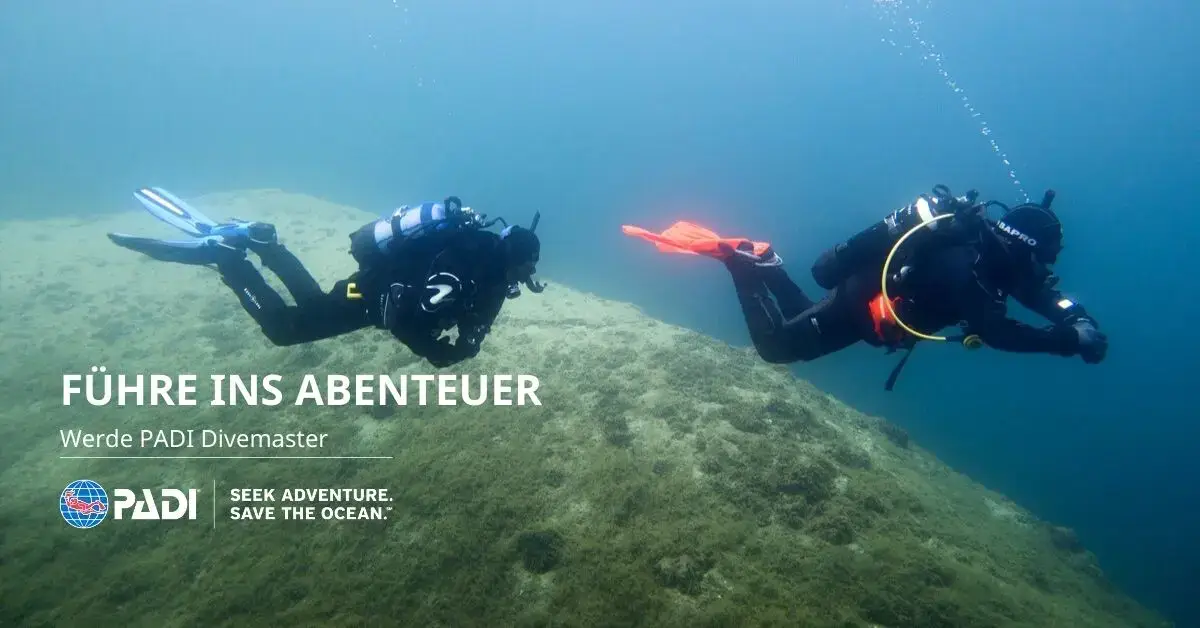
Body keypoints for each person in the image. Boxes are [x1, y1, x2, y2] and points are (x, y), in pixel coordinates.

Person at [624, 185, 1108, 389]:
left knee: (814, 312)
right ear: (1028, 247)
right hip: (864, 305)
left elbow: (1038, 291)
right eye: (1046, 257)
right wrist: (1064, 342)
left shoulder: (999, 258)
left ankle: (767, 264)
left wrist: (1074, 316)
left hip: (867, 300)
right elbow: (997, 331)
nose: (1047, 269)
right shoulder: (973, 270)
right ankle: (742, 264)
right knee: (776, 348)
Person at [108, 188, 544, 367]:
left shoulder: (482, 264)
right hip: (375, 299)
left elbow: (469, 326)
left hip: (372, 287)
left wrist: (463, 345)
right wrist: (437, 351)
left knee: (315, 306)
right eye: (527, 270)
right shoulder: (470, 270)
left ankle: (264, 244)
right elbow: (413, 319)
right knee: (284, 330)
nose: (526, 279)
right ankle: (230, 260)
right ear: (516, 261)